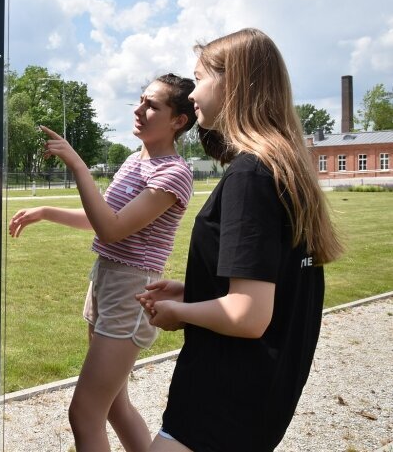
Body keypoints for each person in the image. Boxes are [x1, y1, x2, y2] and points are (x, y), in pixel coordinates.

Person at [137, 29, 343, 452]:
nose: (192, 92)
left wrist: (180, 312)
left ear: (233, 83)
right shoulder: (285, 167)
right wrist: (193, 291)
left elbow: (248, 315)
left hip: (223, 397)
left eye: (201, 78)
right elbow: (269, 282)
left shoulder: (250, 174)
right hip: (262, 396)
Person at [9, 74, 197, 452]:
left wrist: (79, 165)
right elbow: (101, 218)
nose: (139, 110)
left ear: (178, 120)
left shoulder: (173, 173)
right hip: (107, 282)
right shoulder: (135, 159)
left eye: (152, 105)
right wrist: (46, 210)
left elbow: (111, 230)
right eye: (141, 100)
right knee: (113, 406)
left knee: (84, 414)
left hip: (131, 290)